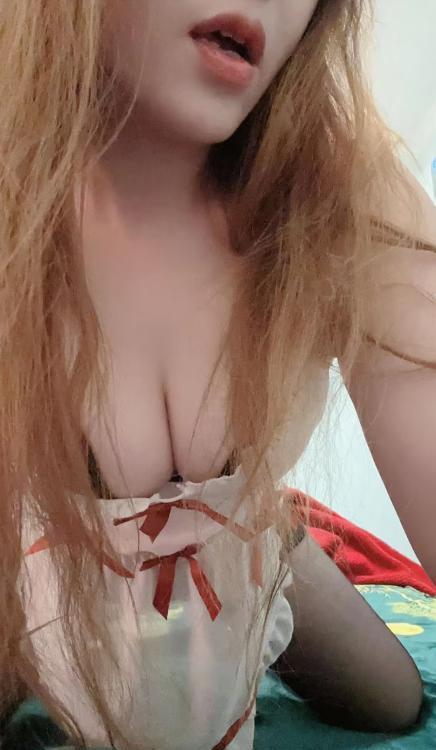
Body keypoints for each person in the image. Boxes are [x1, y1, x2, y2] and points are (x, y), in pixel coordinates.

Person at [0, 1, 434, 748]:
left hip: (243, 540)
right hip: (40, 555)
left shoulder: (338, 187)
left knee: (394, 703)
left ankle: (274, 533)